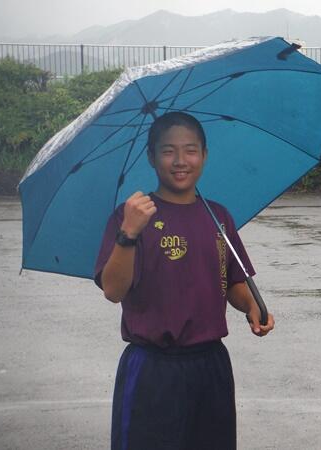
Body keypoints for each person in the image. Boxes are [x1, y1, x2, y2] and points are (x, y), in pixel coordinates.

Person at [94, 111, 274, 450]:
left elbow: (233, 282)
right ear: (151, 157)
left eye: (190, 150)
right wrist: (128, 233)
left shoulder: (217, 216)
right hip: (152, 369)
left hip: (211, 366)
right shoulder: (130, 216)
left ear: (204, 155)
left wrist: (251, 305)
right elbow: (113, 290)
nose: (180, 161)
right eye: (168, 151)